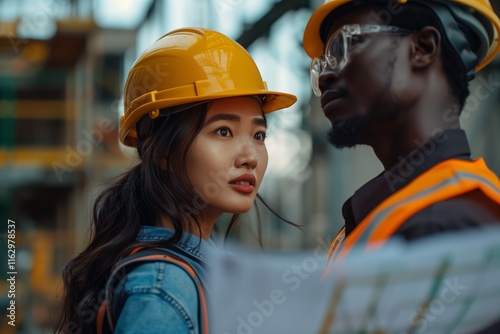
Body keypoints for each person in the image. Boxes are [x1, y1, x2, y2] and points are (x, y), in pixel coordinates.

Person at [55, 27, 297, 334]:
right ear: (163, 153)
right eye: (223, 131)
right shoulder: (163, 285)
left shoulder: (190, 270)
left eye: (259, 135)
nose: (250, 156)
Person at [303, 0, 500, 266]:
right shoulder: (391, 209)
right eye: (322, 63)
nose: (325, 74)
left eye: (345, 44)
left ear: (423, 48)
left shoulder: (447, 222)